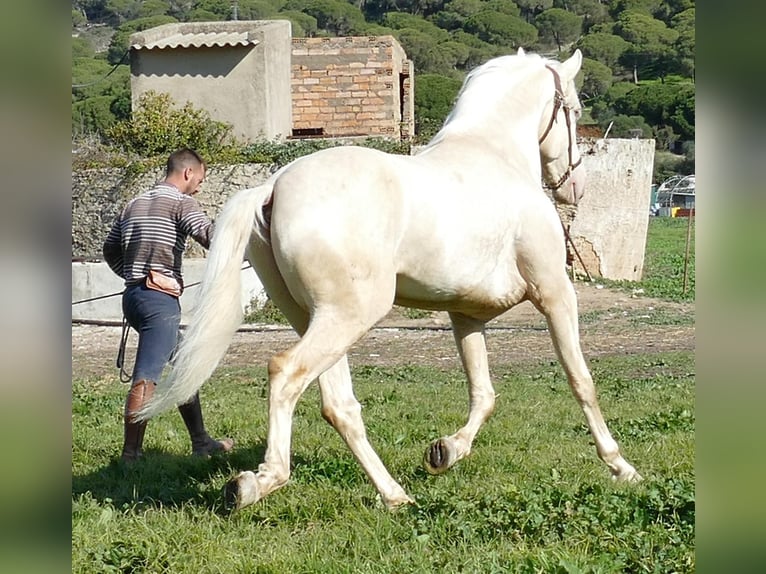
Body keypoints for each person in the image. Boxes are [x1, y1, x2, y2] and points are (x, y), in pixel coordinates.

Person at [103, 148, 234, 462]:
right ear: (187, 173)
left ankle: (201, 441)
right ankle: (130, 457)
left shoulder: (133, 203)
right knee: (147, 375)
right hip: (159, 303)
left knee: (186, 365)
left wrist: (136, 276)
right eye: (200, 179)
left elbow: (110, 249)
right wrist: (242, 223)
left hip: (133, 298)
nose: (199, 187)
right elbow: (210, 236)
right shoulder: (181, 202)